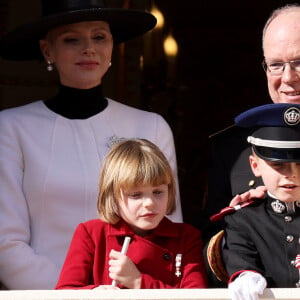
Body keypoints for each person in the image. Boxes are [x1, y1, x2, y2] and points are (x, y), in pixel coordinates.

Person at [0, 0, 182, 290]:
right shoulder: (11, 128)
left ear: (112, 46)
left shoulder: (151, 126)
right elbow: (5, 242)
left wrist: (136, 288)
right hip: (44, 294)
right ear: (48, 50)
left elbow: (169, 229)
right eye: (71, 39)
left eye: (99, 37)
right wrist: (70, 296)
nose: (89, 48)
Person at [202, 3, 300, 246]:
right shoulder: (231, 149)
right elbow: (205, 250)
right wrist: (233, 223)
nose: (288, 78)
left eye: (299, 62)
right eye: (276, 65)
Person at [55, 139, 207, 289]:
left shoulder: (186, 237)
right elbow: (64, 292)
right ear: (112, 195)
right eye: (136, 195)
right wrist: (95, 294)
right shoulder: (91, 234)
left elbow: (195, 296)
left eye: (158, 192)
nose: (149, 203)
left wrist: (138, 282)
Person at [220, 103, 300, 299]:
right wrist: (246, 275)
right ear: (255, 166)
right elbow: (240, 259)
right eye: (278, 166)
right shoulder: (243, 220)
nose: (291, 175)